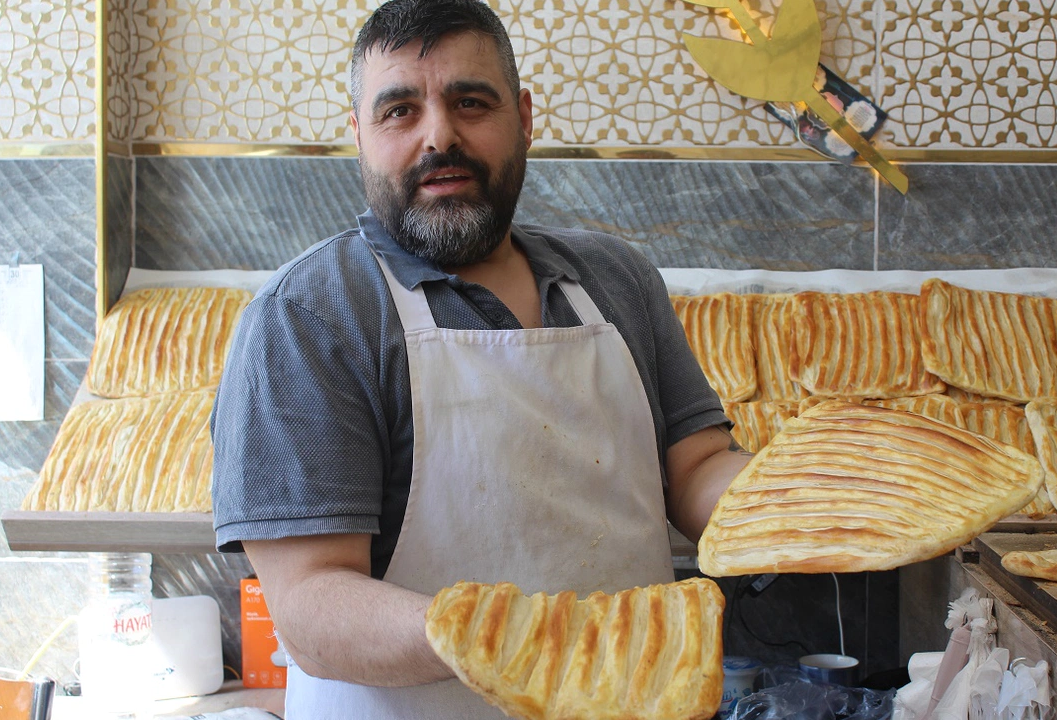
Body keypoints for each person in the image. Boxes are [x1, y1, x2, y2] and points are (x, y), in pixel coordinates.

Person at [210, 0, 753, 716]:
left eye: (470, 102)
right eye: (399, 111)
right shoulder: (310, 316)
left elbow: (697, 469)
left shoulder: (614, 277)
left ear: (523, 118)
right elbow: (311, 603)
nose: (439, 135)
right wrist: (515, 640)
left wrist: (799, 500)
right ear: (360, 136)